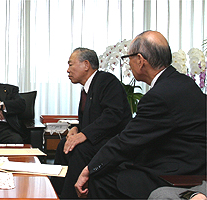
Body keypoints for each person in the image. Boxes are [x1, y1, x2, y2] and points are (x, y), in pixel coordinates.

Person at [74, 30, 206, 199]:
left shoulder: (160, 95)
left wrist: (89, 169)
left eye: (128, 58)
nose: (128, 63)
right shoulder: (182, 82)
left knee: (100, 179)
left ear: (140, 60)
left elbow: (127, 141)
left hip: (179, 172)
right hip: (190, 162)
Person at [50, 47, 132, 198]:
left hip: (115, 141)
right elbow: (91, 120)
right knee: (64, 145)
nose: (68, 70)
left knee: (80, 149)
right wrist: (76, 128)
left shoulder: (106, 81)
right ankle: (55, 192)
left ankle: (69, 196)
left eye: (71, 64)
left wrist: (84, 134)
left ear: (86, 64)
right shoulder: (86, 89)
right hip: (98, 138)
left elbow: (113, 115)